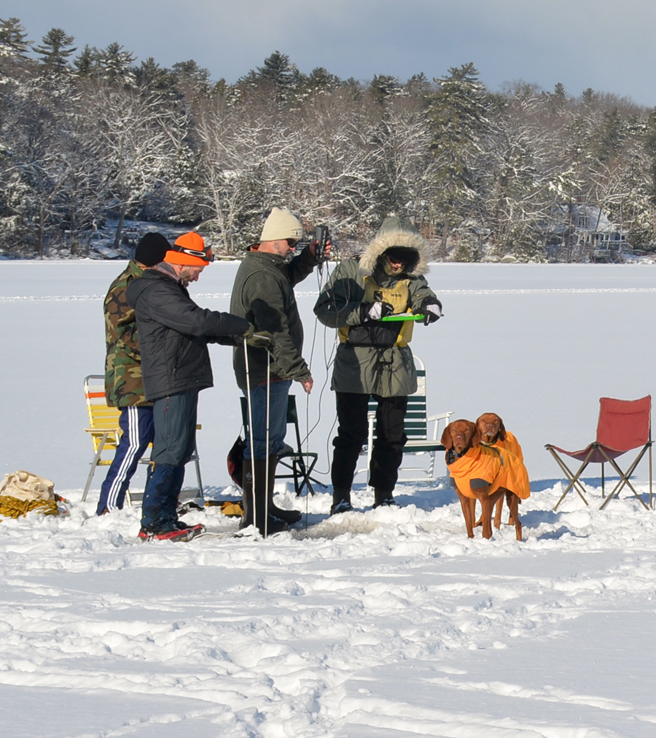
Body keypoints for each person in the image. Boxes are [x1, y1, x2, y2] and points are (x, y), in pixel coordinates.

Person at [126, 230, 253, 542]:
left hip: (180, 376)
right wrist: (242, 326)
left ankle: (166, 518)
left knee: (180, 449)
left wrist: (238, 336)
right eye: (198, 269)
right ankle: (155, 522)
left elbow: (195, 330)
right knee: (170, 450)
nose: (198, 277)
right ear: (184, 263)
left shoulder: (167, 288)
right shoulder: (157, 291)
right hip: (170, 379)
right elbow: (196, 321)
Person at [315, 215, 444, 512]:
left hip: (395, 361)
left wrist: (430, 305)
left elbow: (423, 293)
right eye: (394, 257)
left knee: (392, 433)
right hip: (354, 362)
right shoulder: (351, 270)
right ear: (381, 252)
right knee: (352, 433)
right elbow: (324, 309)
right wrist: (362, 311)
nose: (399, 265)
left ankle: (384, 494)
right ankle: (342, 496)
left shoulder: (411, 277)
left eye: (407, 258)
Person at [229, 207, 324, 531]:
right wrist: (300, 371)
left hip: (273, 370)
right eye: (291, 242)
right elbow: (274, 330)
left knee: (270, 440)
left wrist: (310, 257)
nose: (293, 248)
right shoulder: (262, 277)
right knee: (262, 441)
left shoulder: (269, 267)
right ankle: (254, 518)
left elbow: (287, 276)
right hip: (265, 370)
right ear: (273, 240)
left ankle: (263, 508)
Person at [94, 231, 171, 516]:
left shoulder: (149, 283)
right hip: (132, 382)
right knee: (134, 444)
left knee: (163, 445)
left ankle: (156, 502)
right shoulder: (126, 287)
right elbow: (124, 334)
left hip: (153, 378)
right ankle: (108, 505)